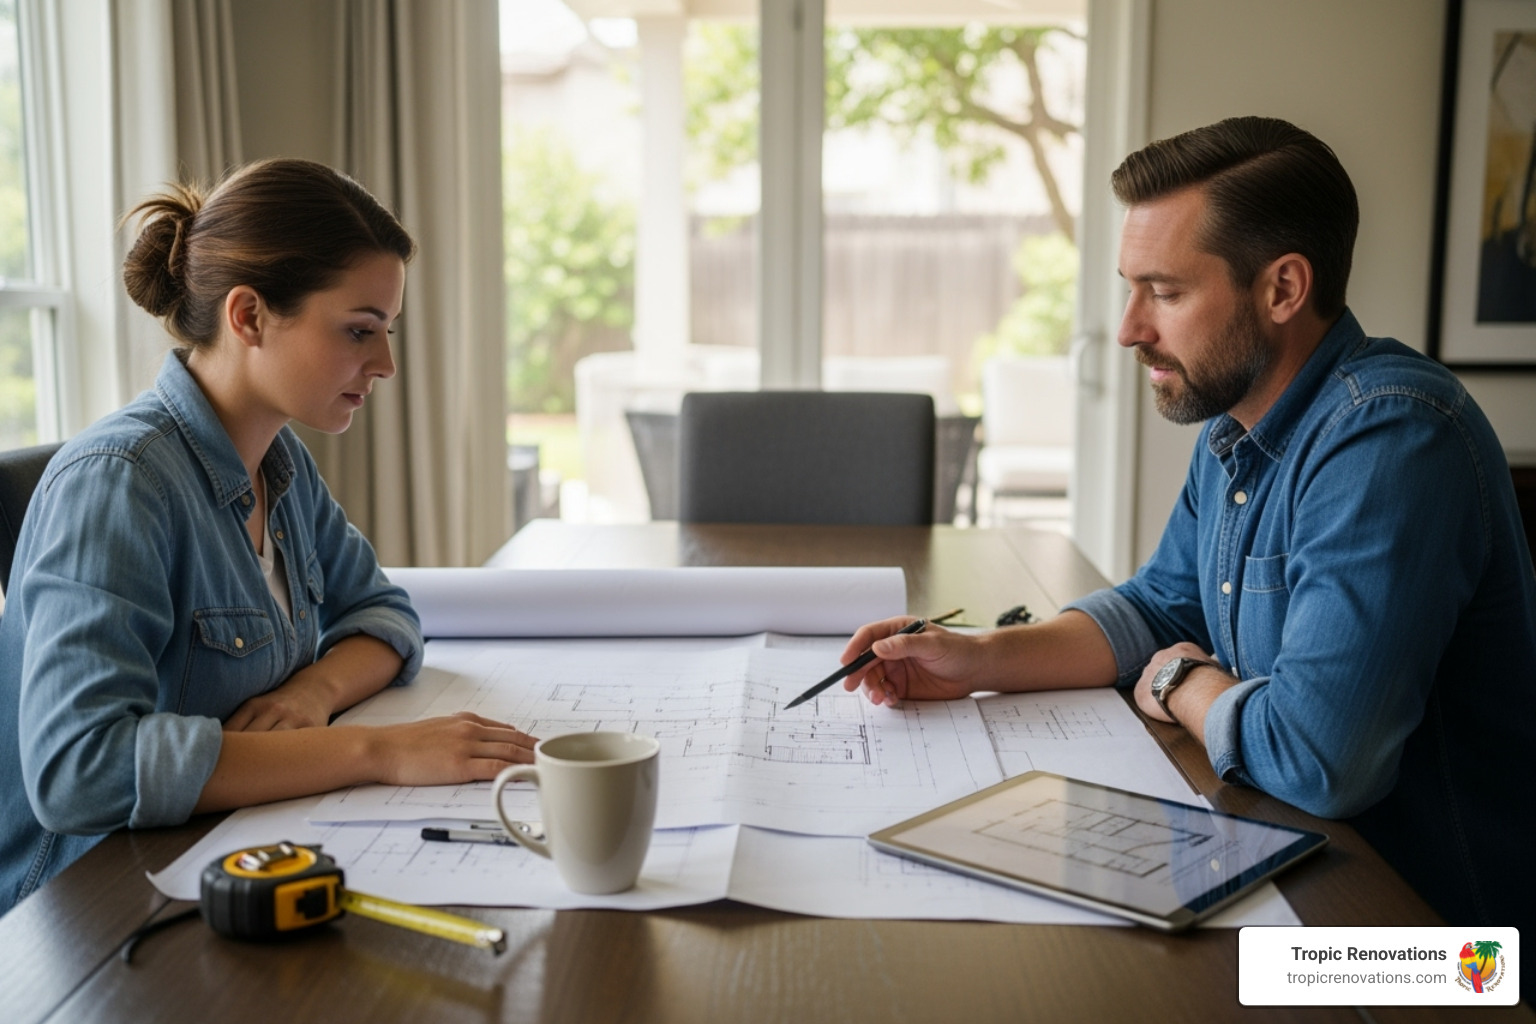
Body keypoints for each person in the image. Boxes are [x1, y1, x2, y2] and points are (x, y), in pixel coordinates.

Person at [839, 117, 1536, 934]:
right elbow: (1161, 610)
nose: (1132, 327)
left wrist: (1182, 683)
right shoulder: (1235, 426)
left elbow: (1319, 758)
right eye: (1131, 288)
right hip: (1308, 868)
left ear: (1282, 289)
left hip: (1435, 937)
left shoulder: (1392, 436)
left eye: (1165, 293)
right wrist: (979, 659)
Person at [0, 159, 537, 914]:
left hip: (224, 850)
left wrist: (314, 692)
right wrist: (377, 751)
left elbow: (384, 614)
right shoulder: (118, 483)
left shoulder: (281, 465)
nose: (383, 364)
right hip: (91, 906)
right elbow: (79, 769)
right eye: (360, 331)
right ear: (248, 316)